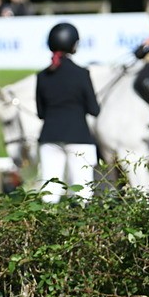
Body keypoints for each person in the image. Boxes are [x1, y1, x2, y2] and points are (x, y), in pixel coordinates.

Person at [36, 22, 100, 203]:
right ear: (74, 45)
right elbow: (94, 110)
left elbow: (41, 113)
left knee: (49, 193)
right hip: (79, 136)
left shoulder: (42, 76)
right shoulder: (81, 73)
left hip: (49, 137)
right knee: (82, 193)